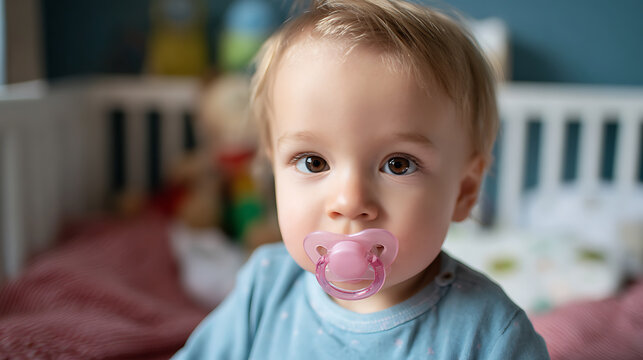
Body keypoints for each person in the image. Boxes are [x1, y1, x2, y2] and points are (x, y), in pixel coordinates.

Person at [173, 0, 550, 358]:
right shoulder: (265, 288)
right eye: (314, 162)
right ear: (274, 171)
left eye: (398, 164)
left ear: (464, 192)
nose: (350, 200)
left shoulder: (490, 335)